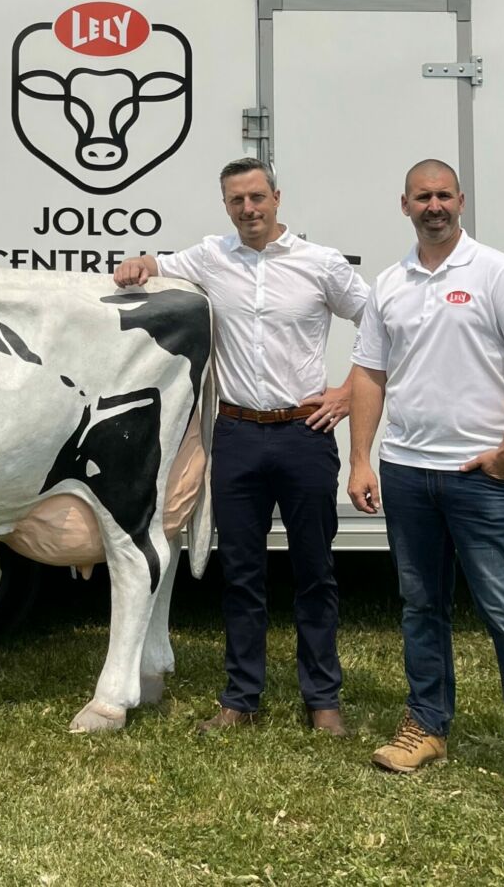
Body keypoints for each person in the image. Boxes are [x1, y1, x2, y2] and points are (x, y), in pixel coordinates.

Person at [115, 156, 367, 736]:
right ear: (226, 206)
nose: (248, 210)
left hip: (305, 434)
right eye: (237, 201)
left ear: (278, 197)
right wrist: (137, 263)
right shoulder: (211, 256)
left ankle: (323, 700)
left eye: (257, 197)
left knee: (315, 571)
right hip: (234, 435)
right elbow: (157, 264)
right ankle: (241, 699)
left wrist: (351, 391)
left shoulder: (320, 263)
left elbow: (380, 320)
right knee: (243, 574)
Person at [348, 158, 504, 812]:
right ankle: (427, 726)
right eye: (422, 197)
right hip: (408, 473)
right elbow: (369, 375)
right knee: (420, 607)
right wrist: (361, 459)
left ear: (460, 201)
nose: (434, 205)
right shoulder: (390, 284)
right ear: (405, 205)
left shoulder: (498, 273)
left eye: (443, 194)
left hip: (483, 482)